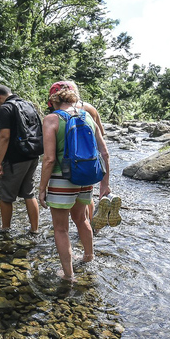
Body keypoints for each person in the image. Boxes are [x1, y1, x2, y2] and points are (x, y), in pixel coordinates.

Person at [38, 83, 110, 280]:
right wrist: (105, 183)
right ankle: (89, 257)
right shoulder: (87, 116)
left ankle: (68, 275)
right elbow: (104, 152)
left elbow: (49, 159)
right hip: (85, 177)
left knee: (61, 229)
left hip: (62, 179)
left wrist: (42, 188)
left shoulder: (51, 120)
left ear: (53, 100)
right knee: (82, 219)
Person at [48, 81, 119, 230]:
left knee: (64, 221)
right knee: (86, 194)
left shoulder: (57, 115)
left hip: (69, 162)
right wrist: (105, 181)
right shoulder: (89, 109)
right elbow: (100, 136)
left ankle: (81, 224)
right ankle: (90, 224)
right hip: (91, 159)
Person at [0, 85, 40, 233]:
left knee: (6, 196)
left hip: (15, 158)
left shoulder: (5, 109)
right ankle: (35, 229)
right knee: (29, 193)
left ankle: (5, 229)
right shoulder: (28, 104)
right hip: (32, 154)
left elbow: (4, 136)